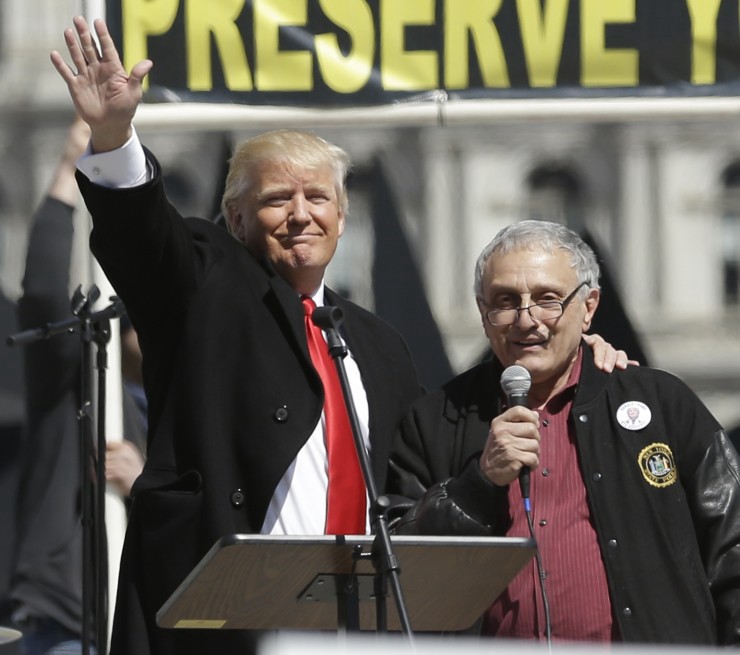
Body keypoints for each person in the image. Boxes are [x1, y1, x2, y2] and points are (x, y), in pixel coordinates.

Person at [49, 17, 632, 655]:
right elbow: (145, 240)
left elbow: (442, 440)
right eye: (277, 199)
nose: (301, 214)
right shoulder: (205, 284)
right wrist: (113, 134)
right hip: (220, 617)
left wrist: (575, 358)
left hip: (354, 623)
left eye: (318, 197)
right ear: (237, 218)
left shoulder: (378, 343)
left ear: (342, 217)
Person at [387, 219, 740, 646]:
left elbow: (731, 549)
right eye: (504, 301)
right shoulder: (436, 418)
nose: (526, 320)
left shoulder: (661, 403)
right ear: (483, 314)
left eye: (547, 299)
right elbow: (398, 572)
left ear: (588, 307)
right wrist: (478, 484)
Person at [9, 117, 146, 655]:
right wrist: (70, 165)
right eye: (140, 323)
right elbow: (42, 291)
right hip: (67, 621)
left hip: (143, 622)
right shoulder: (75, 385)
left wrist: (143, 483)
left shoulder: (184, 407)